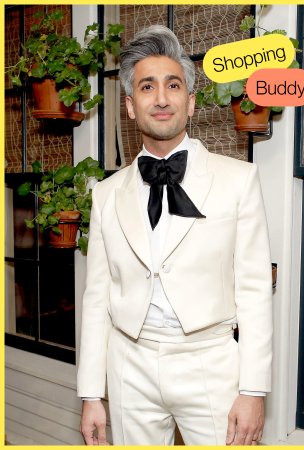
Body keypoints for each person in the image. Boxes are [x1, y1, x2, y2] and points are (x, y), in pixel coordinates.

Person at [77, 24, 273, 446]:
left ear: (191, 100)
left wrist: (254, 390)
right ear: (130, 105)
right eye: (147, 87)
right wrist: (92, 392)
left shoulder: (239, 180)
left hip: (212, 362)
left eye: (173, 85)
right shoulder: (107, 194)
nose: (161, 98)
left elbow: (255, 291)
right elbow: (97, 297)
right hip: (129, 365)